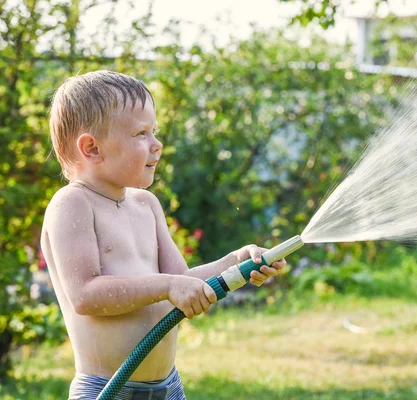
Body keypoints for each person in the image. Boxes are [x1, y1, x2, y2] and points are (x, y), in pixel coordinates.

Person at [40, 70, 285, 399]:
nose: (157, 145)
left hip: (168, 387)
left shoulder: (145, 205)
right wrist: (168, 285)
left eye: (154, 131)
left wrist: (235, 263)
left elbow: (182, 280)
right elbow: (85, 295)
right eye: (141, 134)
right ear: (92, 148)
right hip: (108, 390)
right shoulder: (73, 204)